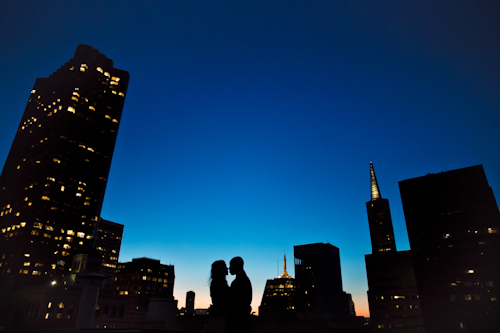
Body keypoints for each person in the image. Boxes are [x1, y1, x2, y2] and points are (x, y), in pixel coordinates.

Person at [228, 256, 252, 333]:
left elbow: (232, 301)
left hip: (238, 321)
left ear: (236, 266)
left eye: (231, 266)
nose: (229, 268)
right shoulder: (244, 279)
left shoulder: (238, 281)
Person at [207, 260, 230, 333]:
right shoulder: (220, 284)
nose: (227, 268)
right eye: (225, 267)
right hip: (220, 316)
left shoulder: (215, 283)